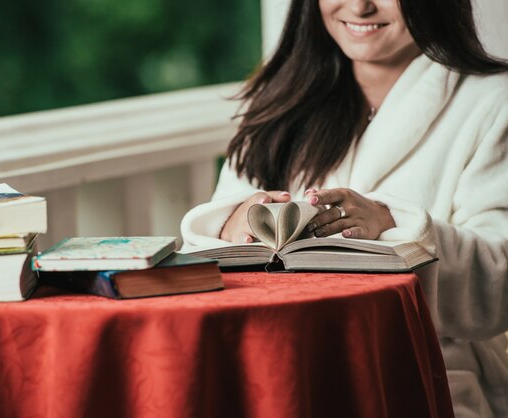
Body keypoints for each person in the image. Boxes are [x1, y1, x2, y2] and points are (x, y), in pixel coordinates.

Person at [180, 0, 508, 416]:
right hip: (276, 365)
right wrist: (232, 224)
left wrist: (393, 224)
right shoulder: (279, 101)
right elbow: (207, 257)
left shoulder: (495, 101)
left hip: (426, 377)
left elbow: (499, 284)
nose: (359, 6)